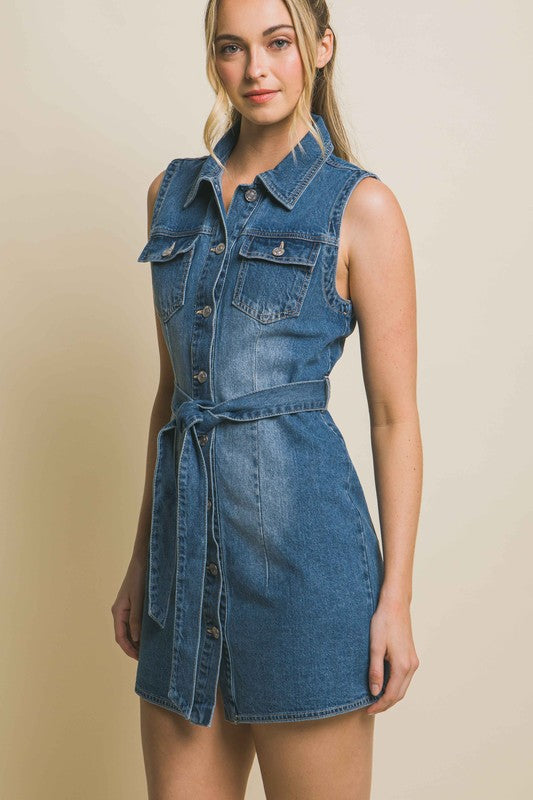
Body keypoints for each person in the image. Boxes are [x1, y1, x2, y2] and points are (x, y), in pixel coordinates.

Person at [111, 0, 422, 796]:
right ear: (213, 59)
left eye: (278, 43)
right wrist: (143, 558)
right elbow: (172, 395)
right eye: (231, 47)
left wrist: (394, 603)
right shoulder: (168, 197)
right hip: (182, 586)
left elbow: (394, 419)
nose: (256, 70)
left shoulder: (362, 208)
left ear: (320, 47)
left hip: (308, 584)